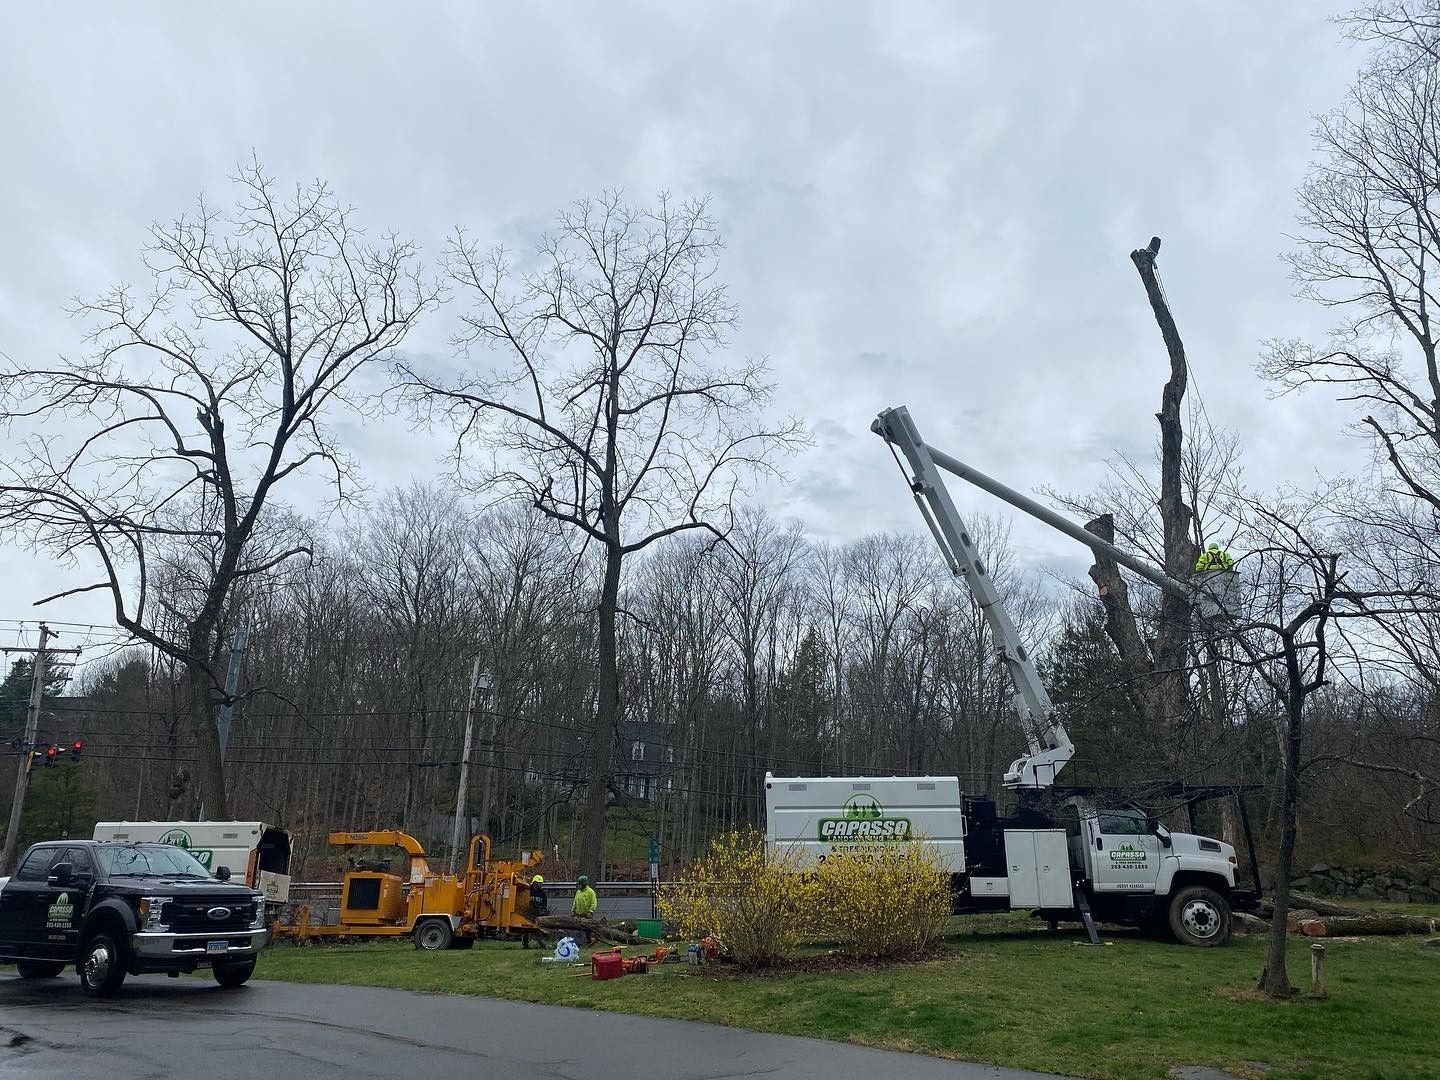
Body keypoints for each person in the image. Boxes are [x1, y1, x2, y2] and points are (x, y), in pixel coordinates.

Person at [572, 874, 598, 945]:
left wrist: (590, 911)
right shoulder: (578, 892)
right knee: (578, 929)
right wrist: (573, 910)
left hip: (587, 914)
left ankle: (589, 941)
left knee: (588, 929)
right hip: (578, 914)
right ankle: (580, 941)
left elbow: (594, 903)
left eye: (580, 884)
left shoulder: (590, 892)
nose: (579, 886)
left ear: (583, 884)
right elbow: (575, 901)